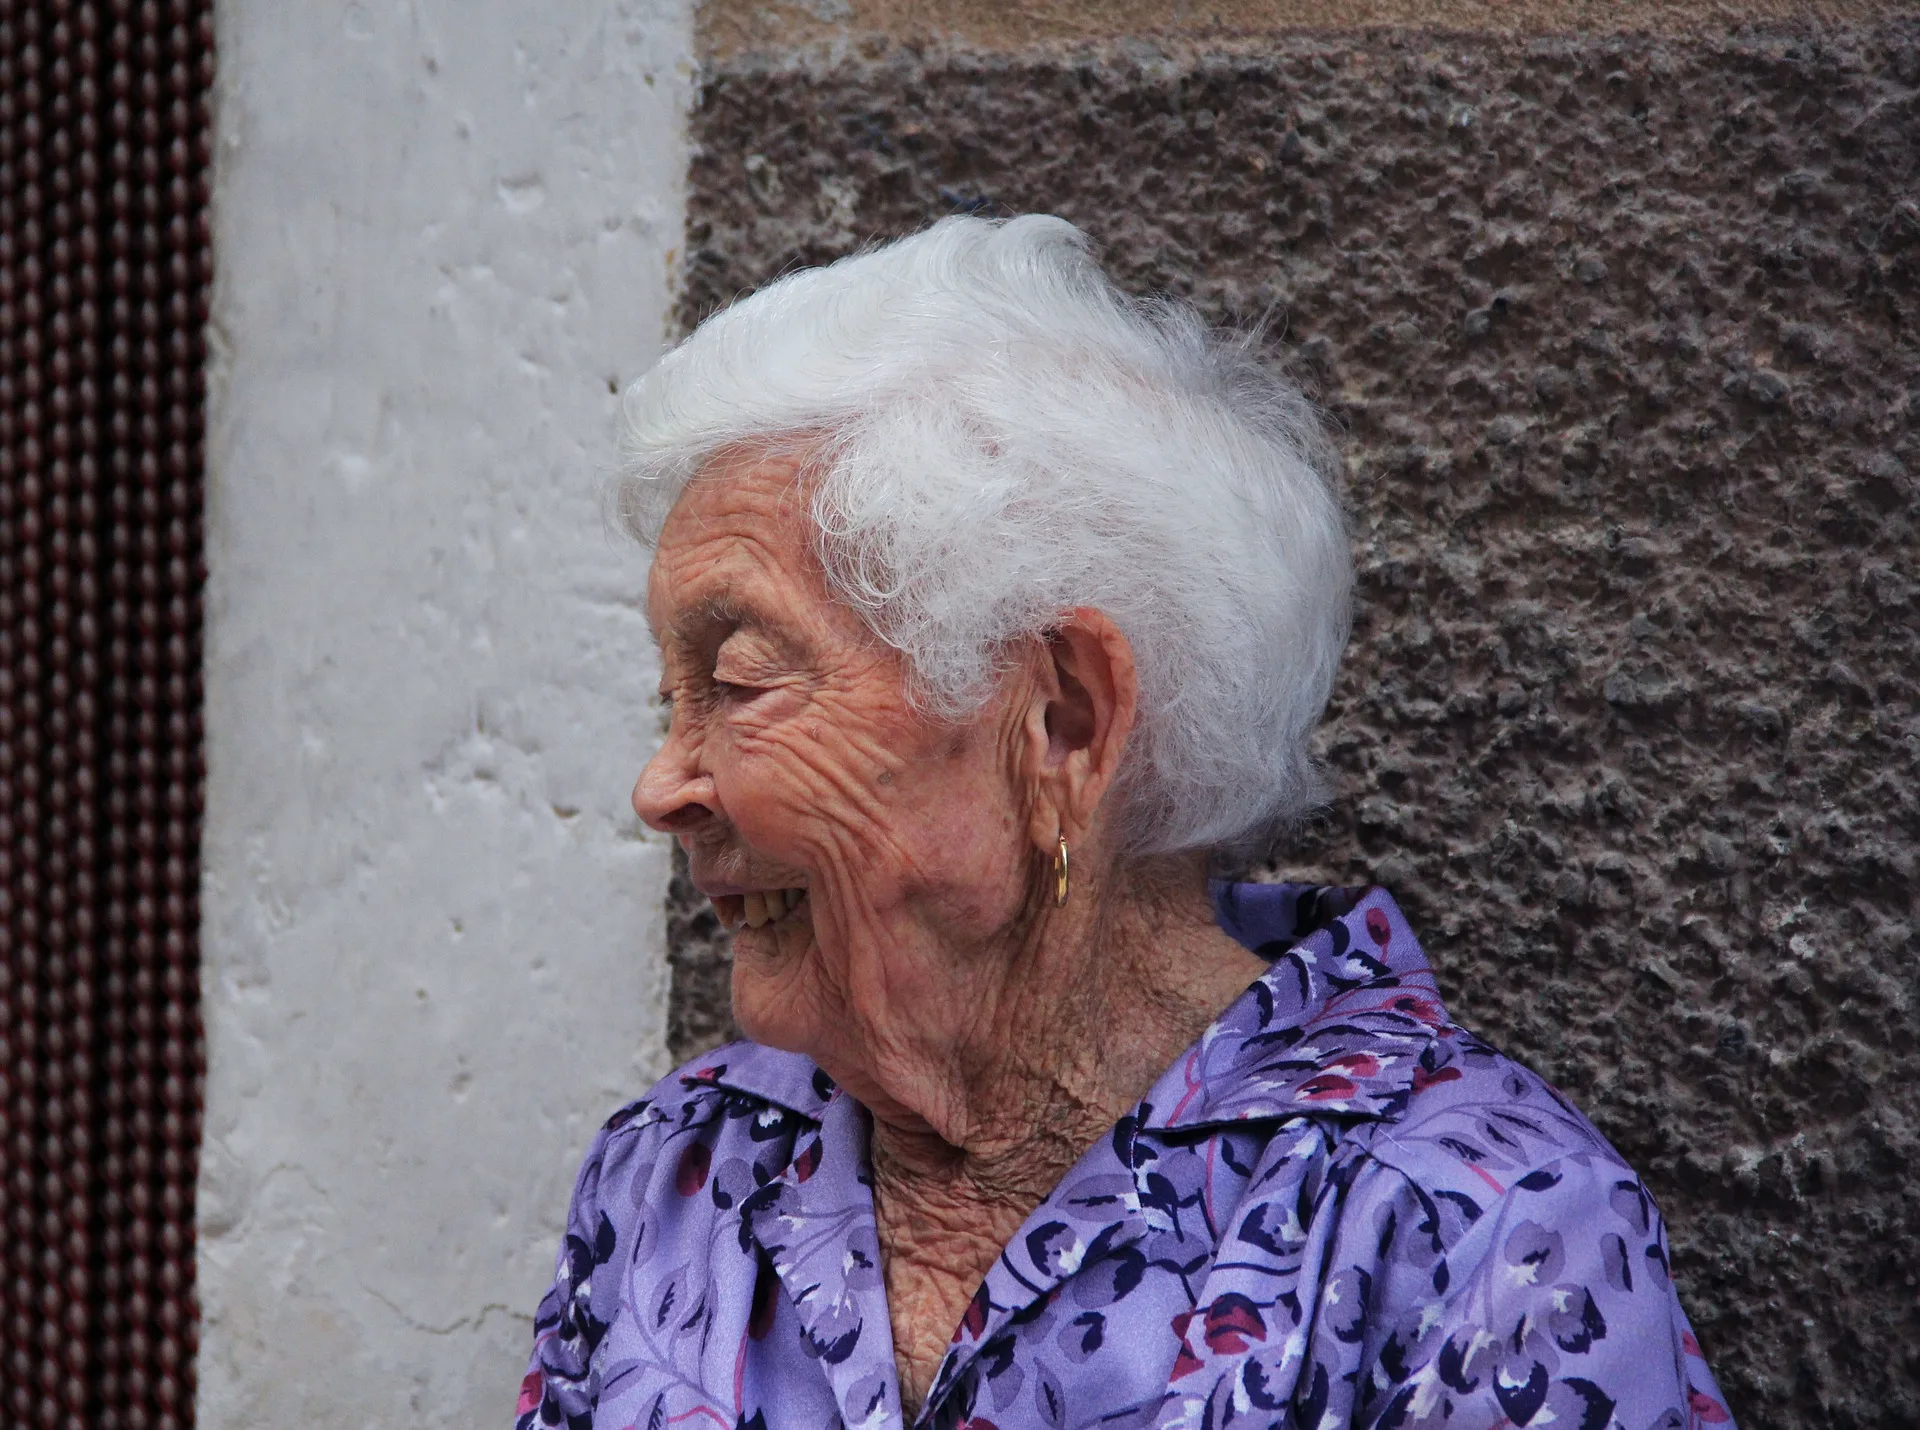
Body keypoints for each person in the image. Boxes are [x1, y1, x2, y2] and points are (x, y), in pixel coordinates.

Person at [516, 215, 1734, 1430]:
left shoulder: (1477, 1234)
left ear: (1062, 721)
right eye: (664, 697)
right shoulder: (679, 1172)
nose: (660, 784)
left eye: (736, 680)